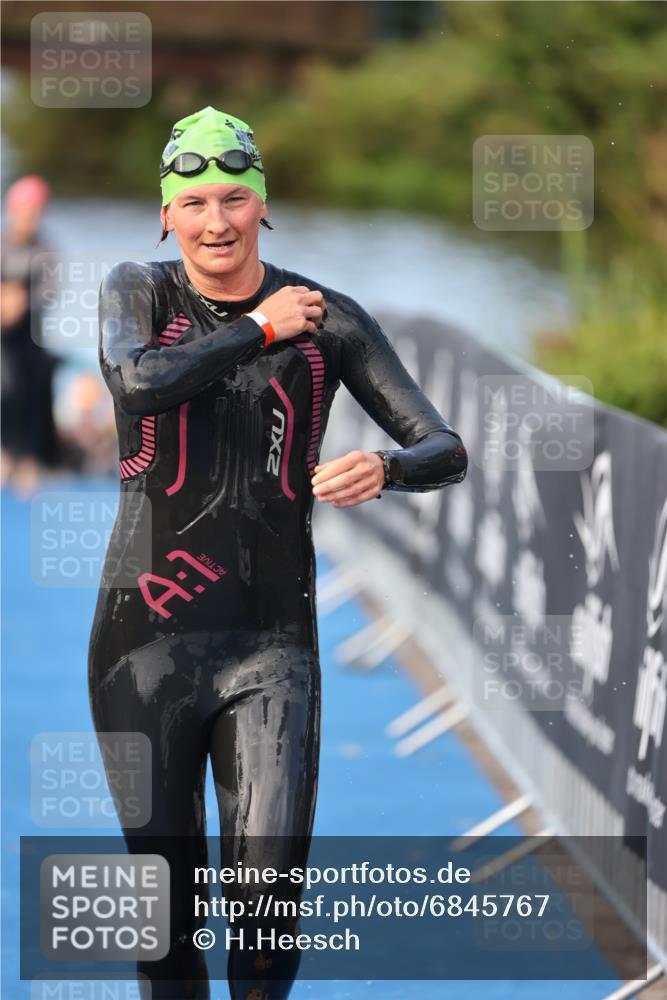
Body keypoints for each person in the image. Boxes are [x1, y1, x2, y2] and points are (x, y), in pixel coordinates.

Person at [88, 105, 468, 1000]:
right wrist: (260, 328)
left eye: (235, 199)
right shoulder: (136, 289)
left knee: (265, 920)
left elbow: (443, 447)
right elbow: (137, 381)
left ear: (264, 206)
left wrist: (387, 467)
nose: (216, 222)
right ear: (166, 215)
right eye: (196, 204)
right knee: (165, 933)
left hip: (271, 648)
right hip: (141, 647)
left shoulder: (329, 319)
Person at [1, 175, 61, 495]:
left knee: (34, 390)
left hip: (30, 336)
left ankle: (28, 459)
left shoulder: (46, 250)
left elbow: (50, 293)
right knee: (5, 387)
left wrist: (23, 302)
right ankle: (6, 453)